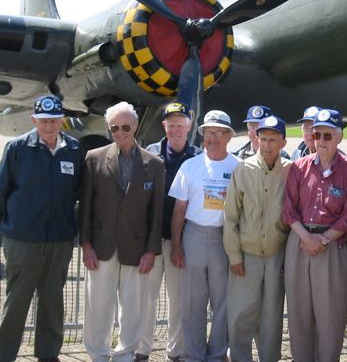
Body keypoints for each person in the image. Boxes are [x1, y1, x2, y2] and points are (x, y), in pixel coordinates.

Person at [0, 95, 83, 362]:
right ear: (34, 120)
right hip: (23, 239)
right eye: (43, 121)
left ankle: (48, 355)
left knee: (52, 301)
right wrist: (15, 225)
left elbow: (77, 191)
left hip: (58, 240)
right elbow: (0, 195)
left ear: (61, 121)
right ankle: (5, 355)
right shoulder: (17, 148)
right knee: (17, 301)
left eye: (54, 121)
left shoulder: (74, 150)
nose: (49, 126)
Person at [79, 102, 165, 362]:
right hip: (101, 247)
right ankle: (98, 352)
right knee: (98, 305)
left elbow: (156, 212)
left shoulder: (155, 163)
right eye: (114, 128)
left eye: (125, 127)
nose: (120, 132)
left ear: (136, 126)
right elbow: (86, 206)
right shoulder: (94, 158)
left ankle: (126, 352)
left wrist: (151, 251)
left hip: (136, 249)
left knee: (133, 307)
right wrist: (86, 245)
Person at [282, 108, 347, 361]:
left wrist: (323, 239)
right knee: (299, 314)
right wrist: (306, 237)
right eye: (317, 135)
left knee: (330, 317)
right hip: (300, 242)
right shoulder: (298, 167)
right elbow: (288, 209)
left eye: (327, 135)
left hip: (332, 247)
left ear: (339, 137)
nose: (321, 141)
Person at [170, 110, 241, 361]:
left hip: (225, 238)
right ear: (202, 136)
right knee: (193, 302)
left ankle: (217, 354)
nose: (213, 138)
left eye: (219, 133)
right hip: (194, 236)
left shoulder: (238, 168)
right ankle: (194, 355)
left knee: (222, 302)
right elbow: (179, 209)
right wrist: (176, 245)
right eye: (208, 133)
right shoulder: (190, 166)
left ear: (229, 136)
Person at [136, 101, 201, 362]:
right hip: (152, 239)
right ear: (164, 125)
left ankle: (177, 350)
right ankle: (142, 348)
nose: (175, 129)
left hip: (182, 240)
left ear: (189, 125)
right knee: (146, 297)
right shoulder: (149, 154)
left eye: (180, 124)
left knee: (179, 299)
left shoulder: (197, 157)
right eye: (170, 124)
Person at [224, 115, 291, 362]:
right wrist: (234, 255)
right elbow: (230, 216)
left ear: (283, 142)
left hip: (276, 255)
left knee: (272, 316)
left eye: (273, 140)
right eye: (263, 139)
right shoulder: (243, 169)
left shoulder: (290, 171)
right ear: (256, 139)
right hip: (247, 255)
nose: (267, 145)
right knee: (242, 314)